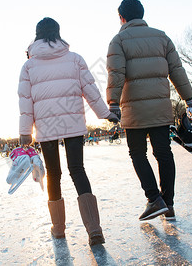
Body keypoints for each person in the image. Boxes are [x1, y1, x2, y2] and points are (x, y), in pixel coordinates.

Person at [18, 17, 119, 245]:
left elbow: (25, 101)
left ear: (37, 36)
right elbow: (90, 90)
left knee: (54, 174)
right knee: (78, 170)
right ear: (58, 33)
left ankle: (59, 228)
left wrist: (26, 131)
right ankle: (94, 229)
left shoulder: (29, 66)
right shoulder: (75, 59)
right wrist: (105, 113)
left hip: (46, 126)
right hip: (72, 123)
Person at [106, 0, 192, 221]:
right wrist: (189, 99)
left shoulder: (118, 40)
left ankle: (154, 198)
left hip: (133, 110)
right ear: (142, 14)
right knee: (163, 153)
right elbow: (176, 69)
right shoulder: (161, 37)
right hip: (159, 106)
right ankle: (169, 204)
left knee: (137, 153)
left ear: (122, 17)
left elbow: (116, 75)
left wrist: (113, 103)